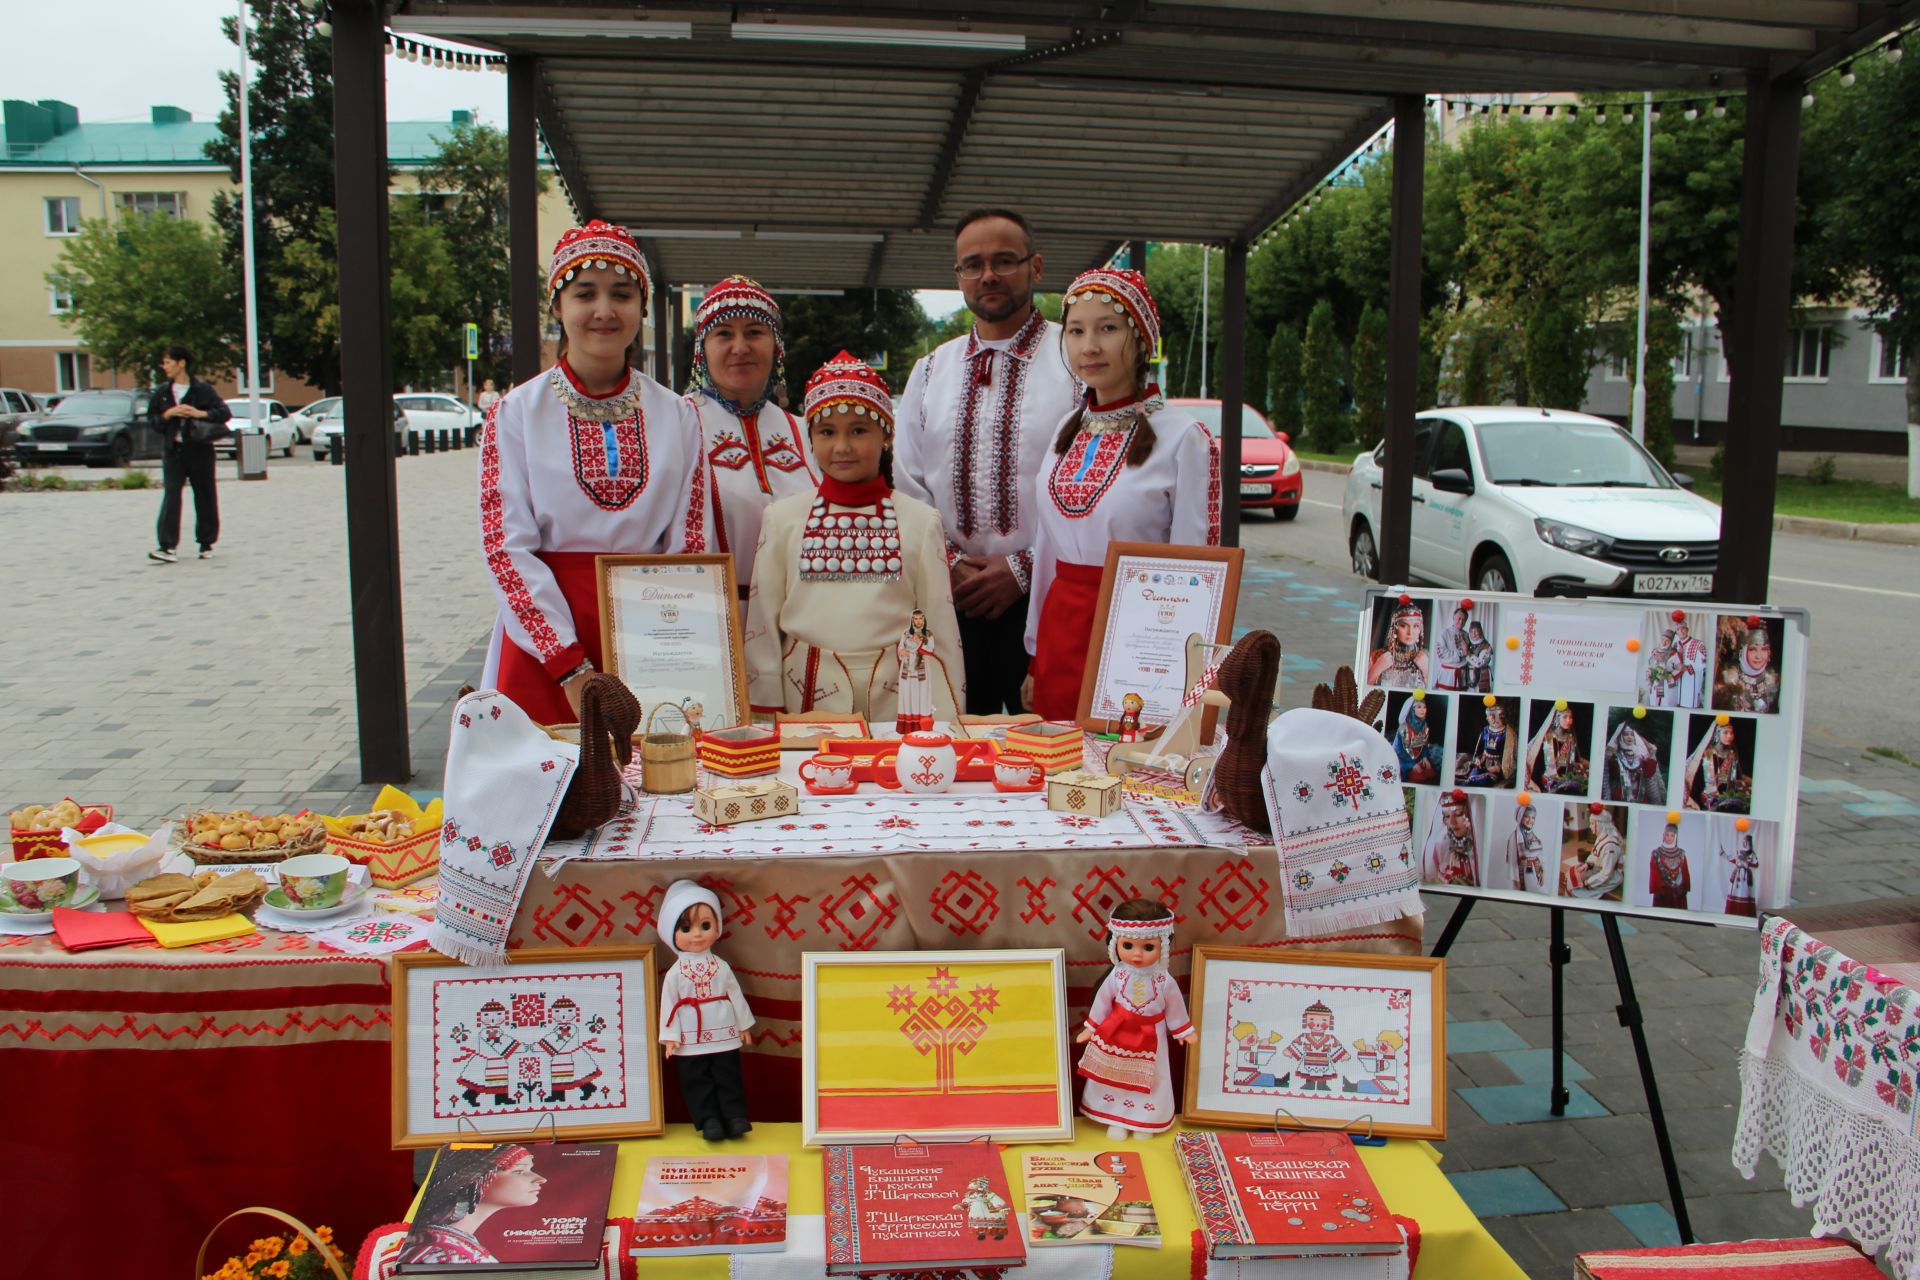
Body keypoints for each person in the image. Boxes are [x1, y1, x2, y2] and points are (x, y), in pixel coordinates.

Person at [477, 221, 711, 726]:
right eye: (585, 294)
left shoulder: (678, 414)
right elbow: (505, 546)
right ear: (558, 308)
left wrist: (661, 648)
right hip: (543, 643)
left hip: (649, 636)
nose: (604, 310)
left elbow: (690, 544)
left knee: (656, 786)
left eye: (622, 294)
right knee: (548, 788)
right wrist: (567, 665)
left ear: (642, 309)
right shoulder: (515, 412)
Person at [894, 209, 1079, 714]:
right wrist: (950, 565)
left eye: (1004, 260)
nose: (988, 275)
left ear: (1036, 267)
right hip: (950, 599)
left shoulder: (1076, 359)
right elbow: (908, 483)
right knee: (949, 750)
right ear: (958, 277)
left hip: (1049, 593)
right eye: (972, 265)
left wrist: (1022, 567)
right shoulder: (931, 370)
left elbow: (1089, 488)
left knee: (1047, 752)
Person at [1018, 267, 1219, 720]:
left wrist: (1189, 675)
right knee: (1058, 768)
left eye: (1107, 328)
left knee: (1126, 770)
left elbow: (1199, 569)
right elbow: (1046, 549)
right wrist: (1035, 654)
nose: (1089, 346)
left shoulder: (1184, 438)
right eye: (1076, 331)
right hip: (1061, 636)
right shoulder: (1063, 434)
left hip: (1141, 638)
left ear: (1142, 339)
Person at [745, 352, 964, 723]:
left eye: (859, 430)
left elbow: (938, 629)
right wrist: (765, 712)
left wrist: (944, 719)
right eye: (827, 432)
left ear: (887, 436)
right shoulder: (781, 518)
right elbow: (762, 624)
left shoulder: (921, 521)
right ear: (810, 437)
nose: (842, 446)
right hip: (805, 700)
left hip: (899, 700)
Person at [684, 276, 816, 594]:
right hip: (712, 618)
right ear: (702, 350)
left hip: (799, 622)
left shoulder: (804, 430)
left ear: (776, 346)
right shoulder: (678, 424)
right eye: (724, 334)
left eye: (754, 332)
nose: (740, 347)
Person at [1075, 897, 1193, 1139]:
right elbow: (1102, 1002)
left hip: (1152, 1037)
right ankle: (1115, 1118)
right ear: (1116, 944)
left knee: (1152, 1078)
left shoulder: (1163, 980)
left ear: (1162, 947)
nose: (1137, 955)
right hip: (1116, 1033)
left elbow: (1175, 1007)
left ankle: (1143, 1120)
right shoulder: (1117, 976)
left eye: (1148, 948)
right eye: (1128, 946)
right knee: (1114, 1076)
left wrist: (1183, 1030)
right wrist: (1091, 1027)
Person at [658, 879, 755, 1141]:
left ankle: (734, 1116)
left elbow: (734, 993)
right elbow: (668, 1004)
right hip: (690, 1034)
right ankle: (708, 1119)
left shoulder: (720, 966)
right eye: (686, 928)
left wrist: (744, 1024)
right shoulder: (676, 973)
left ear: (717, 928)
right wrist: (669, 1036)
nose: (697, 935)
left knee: (728, 1074)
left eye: (705, 925)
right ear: (671, 933)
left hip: (723, 1029)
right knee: (696, 1078)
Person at [147, 345, 233, 563]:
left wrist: (199, 413)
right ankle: (167, 547)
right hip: (173, 451)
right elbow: (153, 421)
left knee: (205, 494)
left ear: (181, 363)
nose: (164, 367)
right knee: (172, 495)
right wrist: (168, 414)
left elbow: (224, 413)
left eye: (168, 362)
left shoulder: (202, 390)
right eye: (164, 362)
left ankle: (206, 543)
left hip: (200, 450)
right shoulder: (163, 393)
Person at [395, 1145, 546, 1265]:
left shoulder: (449, 1246)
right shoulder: (442, 1254)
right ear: (475, 1178)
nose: (541, 1179)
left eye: (530, 1169)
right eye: (519, 1171)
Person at [1282, 1000, 1349, 1093]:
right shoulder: (1305, 1037)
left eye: (1324, 1020)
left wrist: (1343, 1055)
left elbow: (1335, 1047)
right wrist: (1290, 1052)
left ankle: (1322, 1085)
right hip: (1308, 1061)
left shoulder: (1329, 1038)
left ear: (1330, 1021)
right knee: (1309, 1075)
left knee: (1323, 1075)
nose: (1317, 1024)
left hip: (1324, 1062)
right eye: (1312, 1019)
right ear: (1306, 1020)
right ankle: (1309, 1085)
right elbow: (1297, 1045)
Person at [1685, 719, 1748, 812]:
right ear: (1717, 734)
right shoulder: (1707, 753)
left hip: (1727, 799)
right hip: (1706, 800)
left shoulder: (1732, 754)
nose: (1729, 736)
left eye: (1731, 733)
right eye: (1725, 733)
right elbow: (1698, 781)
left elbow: (1737, 778)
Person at [1717, 623, 1781, 713]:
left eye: (1763, 649)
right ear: (1742, 652)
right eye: (1753, 649)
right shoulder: (1729, 678)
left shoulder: (1772, 681)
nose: (1758, 656)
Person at [1526, 705, 1589, 795]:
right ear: (1557, 718)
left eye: (1570, 717)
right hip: (1548, 779)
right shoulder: (1548, 737)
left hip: (1566, 777)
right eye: (1565, 717)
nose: (1568, 720)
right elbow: (1543, 763)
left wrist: (1577, 767)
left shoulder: (1571, 738)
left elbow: (1572, 761)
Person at [1367, 598, 1429, 688]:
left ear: (1420, 629)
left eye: (1416, 626)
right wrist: (1376, 669)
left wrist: (1426, 671)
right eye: (1404, 625)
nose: (1410, 632)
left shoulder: (1427, 657)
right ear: (1395, 628)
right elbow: (1361, 691)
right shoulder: (1378, 656)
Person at [1420, 791, 1478, 886]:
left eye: (1458, 814)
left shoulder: (1478, 845)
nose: (1452, 822)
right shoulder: (1440, 844)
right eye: (1447, 816)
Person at [1566, 805, 1624, 898]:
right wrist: (1587, 864)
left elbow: (1606, 873)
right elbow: (1594, 856)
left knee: (1576, 890)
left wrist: (1588, 882)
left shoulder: (1610, 846)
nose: (1590, 826)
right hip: (1598, 869)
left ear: (1601, 824)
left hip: (1610, 877)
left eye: (1592, 823)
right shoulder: (1601, 838)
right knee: (1572, 873)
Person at [1603, 719, 1667, 804]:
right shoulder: (1613, 757)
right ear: (1620, 737)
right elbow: (1606, 781)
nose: (1629, 737)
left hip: (1641, 799)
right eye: (1626, 734)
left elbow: (1651, 781)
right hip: (1619, 799)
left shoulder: (1642, 756)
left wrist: (1657, 802)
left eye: (1631, 734)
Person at [895, 610, 936, 733]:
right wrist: (902, 652)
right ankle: (907, 726)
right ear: (912, 620)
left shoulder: (928, 634)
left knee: (922, 695)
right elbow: (901, 646)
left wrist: (919, 643)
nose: (918, 621)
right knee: (907, 694)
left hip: (921, 668)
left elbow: (931, 651)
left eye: (920, 619)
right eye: (915, 619)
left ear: (924, 620)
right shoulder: (906, 633)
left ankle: (922, 725)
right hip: (907, 668)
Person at [1459, 700, 1516, 787]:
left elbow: (1509, 756)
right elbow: (1479, 749)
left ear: (1495, 717)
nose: (1487, 719)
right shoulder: (1486, 730)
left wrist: (1498, 768)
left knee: (1483, 780)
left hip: (1496, 767)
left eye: (1488, 716)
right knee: (1472, 774)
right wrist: (1478, 759)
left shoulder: (1508, 734)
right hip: (1483, 762)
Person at [1391, 696, 1443, 785]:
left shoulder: (1424, 726)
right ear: (1412, 709)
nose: (1422, 710)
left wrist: (1424, 757)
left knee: (1431, 773)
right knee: (1416, 778)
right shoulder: (1404, 728)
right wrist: (1411, 764)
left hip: (1417, 758)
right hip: (1402, 759)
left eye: (1424, 707)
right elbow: (1398, 750)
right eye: (1419, 707)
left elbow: (1424, 745)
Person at [1648, 821, 1691, 909]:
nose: (1669, 838)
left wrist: (1685, 888)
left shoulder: (1681, 854)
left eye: (1672, 835)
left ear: (1676, 836)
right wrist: (1657, 890)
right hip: (1663, 893)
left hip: (1679, 893)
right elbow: (1654, 872)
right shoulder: (1656, 853)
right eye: (1667, 835)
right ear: (1663, 835)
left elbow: (1685, 872)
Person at [1719, 828, 1760, 916]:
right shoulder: (1739, 852)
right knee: (1734, 891)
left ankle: (1745, 913)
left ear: (1749, 842)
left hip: (1746, 876)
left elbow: (1756, 865)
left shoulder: (1752, 854)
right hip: (1737, 875)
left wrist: (1746, 863)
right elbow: (1732, 859)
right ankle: (1732, 911)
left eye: (1746, 841)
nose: (1744, 842)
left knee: (1744, 892)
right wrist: (1723, 854)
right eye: (1743, 840)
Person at [1673, 614, 1708, 708]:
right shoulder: (1675, 645)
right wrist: (1674, 667)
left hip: (1692, 678)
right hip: (1678, 680)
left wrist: (1687, 668)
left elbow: (1704, 663)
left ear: (1687, 629)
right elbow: (1671, 661)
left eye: (1683, 628)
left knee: (1690, 702)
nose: (1681, 631)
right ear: (1676, 632)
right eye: (1678, 630)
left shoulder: (1698, 644)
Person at [1511, 801, 1548, 893]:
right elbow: (1512, 859)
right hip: (1524, 872)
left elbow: (1541, 854)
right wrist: (1516, 878)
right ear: (1520, 817)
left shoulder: (1536, 835)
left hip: (1536, 870)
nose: (1530, 820)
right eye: (1526, 816)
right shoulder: (1514, 836)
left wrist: (1542, 871)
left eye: (1533, 818)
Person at [1433, 607, 1469, 691]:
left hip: (1463, 676)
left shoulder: (1467, 635)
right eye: (1459, 618)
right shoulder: (1444, 633)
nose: (1461, 622)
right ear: (1453, 617)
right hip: (1447, 676)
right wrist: (1461, 653)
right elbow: (1442, 654)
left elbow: (1469, 654)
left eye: (1464, 620)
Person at [1464, 621, 1494, 693]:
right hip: (1468, 677)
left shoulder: (1486, 646)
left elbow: (1479, 664)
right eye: (1471, 631)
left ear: (1480, 631)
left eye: (1476, 631)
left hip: (1481, 676)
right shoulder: (1469, 644)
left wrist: (1468, 655)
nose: (1473, 634)